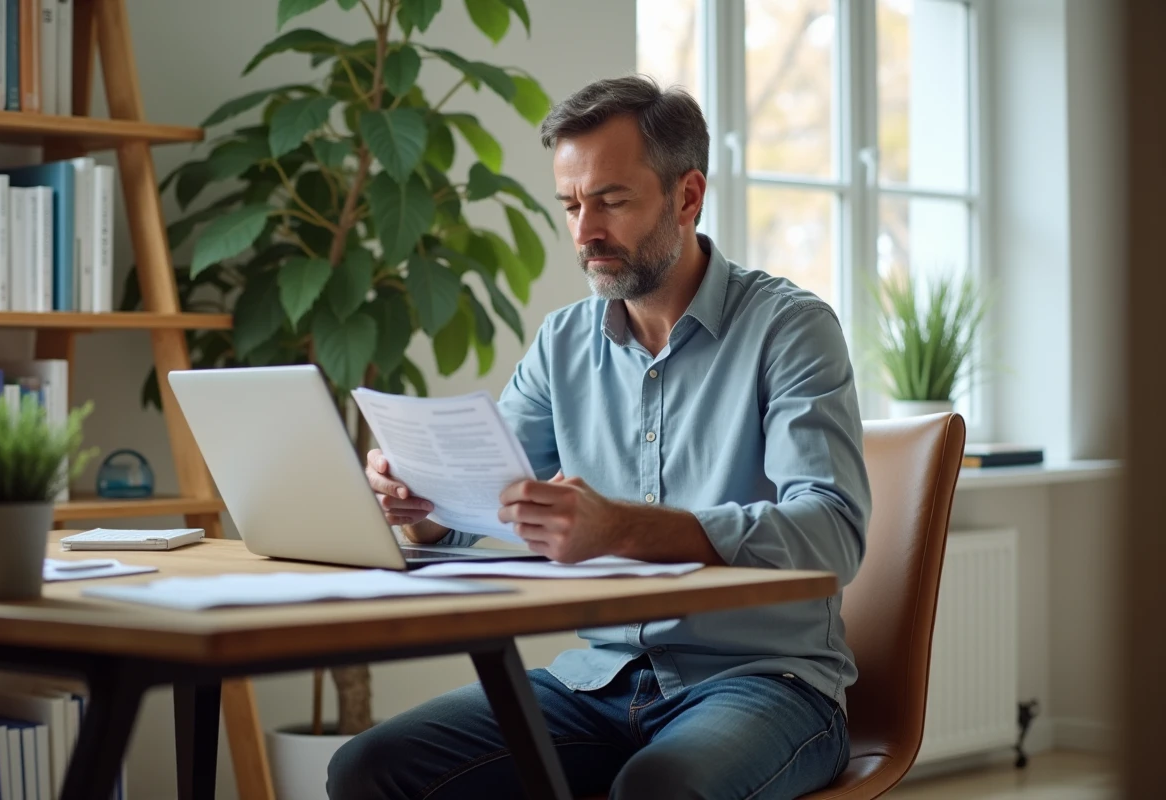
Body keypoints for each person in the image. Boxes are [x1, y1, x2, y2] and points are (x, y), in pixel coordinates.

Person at [327, 74, 871, 800]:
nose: (585, 232)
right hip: (598, 680)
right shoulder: (563, 343)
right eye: (571, 205)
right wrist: (418, 502)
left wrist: (624, 528)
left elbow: (832, 532)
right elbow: (485, 497)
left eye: (611, 201)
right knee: (369, 767)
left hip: (764, 683)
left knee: (658, 790)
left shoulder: (789, 328)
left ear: (687, 196)